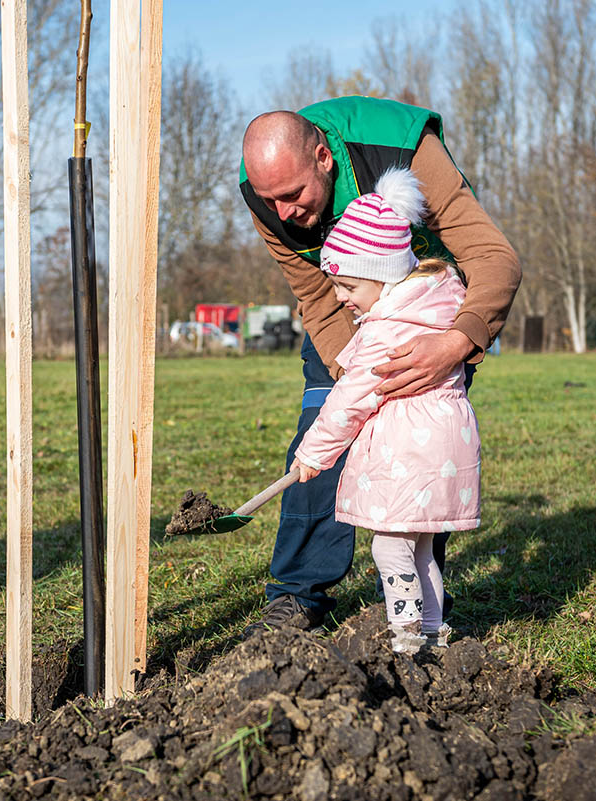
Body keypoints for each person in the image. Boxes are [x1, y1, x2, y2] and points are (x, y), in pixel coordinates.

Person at [238, 96, 519, 639]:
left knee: (422, 447)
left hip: (434, 312)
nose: (284, 214)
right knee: (321, 428)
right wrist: (359, 382)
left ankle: (417, 597)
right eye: (271, 201)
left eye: (293, 195)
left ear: (323, 157)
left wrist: (456, 342)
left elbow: (494, 258)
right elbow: (316, 294)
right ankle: (298, 594)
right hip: (352, 313)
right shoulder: (266, 191)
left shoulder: (403, 151)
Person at [290, 167, 480, 653]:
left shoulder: (385, 332)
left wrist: (314, 454)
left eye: (348, 287)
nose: (340, 298)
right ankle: (435, 634)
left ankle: (405, 640)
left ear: (380, 274)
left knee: (390, 547)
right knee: (420, 553)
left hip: (407, 454)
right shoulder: (436, 304)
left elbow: (350, 400)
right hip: (444, 452)